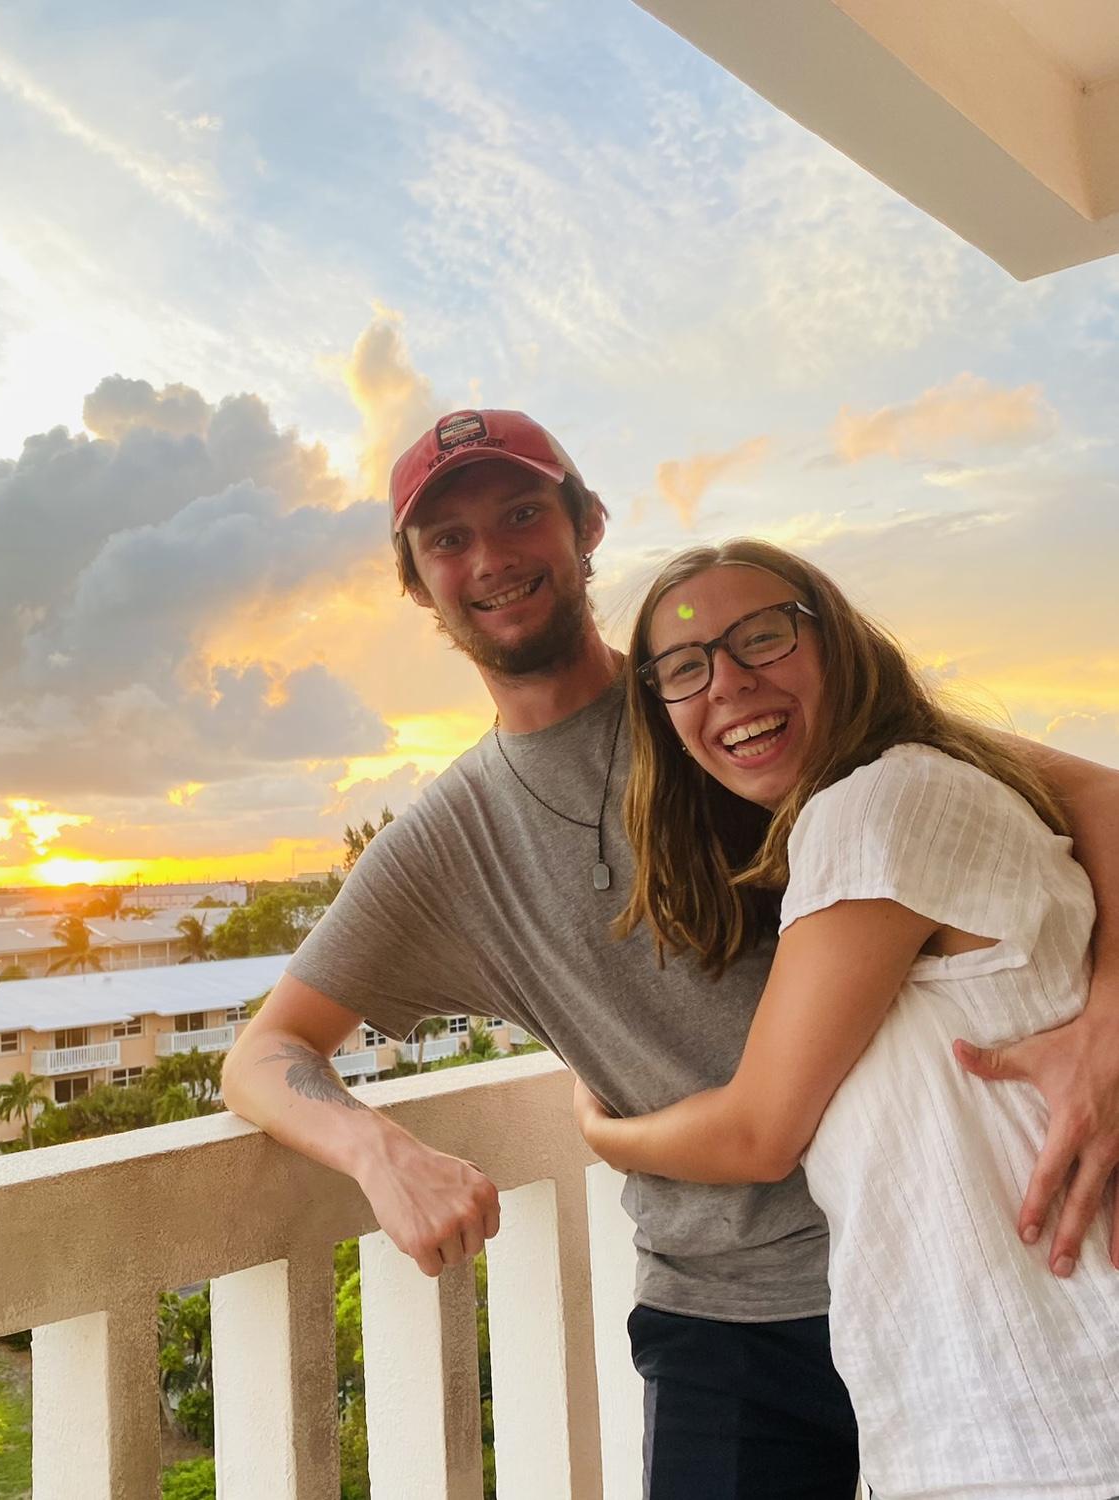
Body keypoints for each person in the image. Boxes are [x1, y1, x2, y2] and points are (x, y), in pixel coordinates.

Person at [220, 410, 1119, 1497]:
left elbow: (1093, 795)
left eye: (521, 514)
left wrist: (1110, 1018)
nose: (493, 558)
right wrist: (377, 1151)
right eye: (448, 539)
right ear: (416, 583)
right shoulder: (443, 846)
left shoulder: (739, 700)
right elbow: (267, 1051)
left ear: (587, 524)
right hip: (728, 1327)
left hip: (964, 1262)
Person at [574, 537, 1119, 1497]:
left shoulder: (875, 809)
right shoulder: (931, 778)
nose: (730, 681)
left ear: (838, 644)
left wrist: (603, 1129)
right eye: (686, 667)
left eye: (764, 636)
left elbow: (759, 1132)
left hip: (1047, 1399)